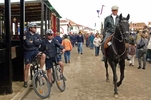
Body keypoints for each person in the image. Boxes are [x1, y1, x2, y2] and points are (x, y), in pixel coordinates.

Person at [23, 22, 46, 88]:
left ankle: (40, 70)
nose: (36, 29)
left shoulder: (37, 35)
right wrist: (35, 42)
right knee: (27, 66)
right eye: (34, 27)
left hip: (36, 51)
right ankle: (25, 81)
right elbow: (28, 44)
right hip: (28, 51)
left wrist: (33, 42)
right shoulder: (26, 35)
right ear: (30, 28)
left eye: (36, 27)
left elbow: (40, 42)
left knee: (43, 55)